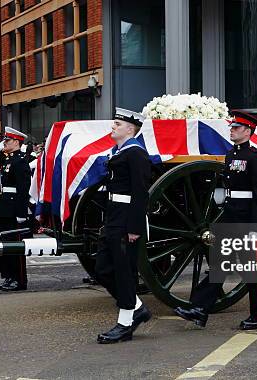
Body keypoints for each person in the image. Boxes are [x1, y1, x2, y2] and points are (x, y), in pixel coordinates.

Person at [174, 111, 257, 330]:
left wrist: (256, 227)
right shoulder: (231, 155)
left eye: (236, 128)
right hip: (230, 216)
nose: (232, 130)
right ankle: (199, 308)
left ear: (247, 131)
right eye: (232, 127)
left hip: (247, 220)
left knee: (251, 269)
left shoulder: (255, 157)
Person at [94, 108, 152, 344]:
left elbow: (140, 193)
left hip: (127, 219)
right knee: (103, 270)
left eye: (117, 124)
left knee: (125, 273)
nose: (113, 126)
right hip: (114, 217)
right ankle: (138, 307)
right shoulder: (120, 153)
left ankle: (125, 323)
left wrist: (134, 227)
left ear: (130, 129)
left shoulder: (136, 154)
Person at [0, 127, 32, 292]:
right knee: (1, 245)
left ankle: (19, 280)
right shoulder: (6, 158)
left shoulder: (20, 161)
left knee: (15, 246)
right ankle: (8, 276)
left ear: (17, 142)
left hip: (13, 210)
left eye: (8, 140)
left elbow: (23, 190)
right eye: (5, 140)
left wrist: (21, 214)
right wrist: (1, 145)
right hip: (3, 208)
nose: (5, 143)